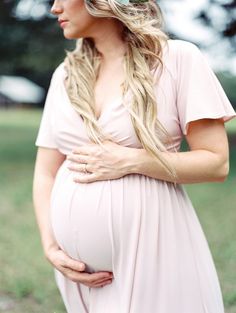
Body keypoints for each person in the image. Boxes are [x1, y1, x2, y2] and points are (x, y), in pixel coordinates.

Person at [32, 0, 236, 312]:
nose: (54, 8)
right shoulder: (65, 76)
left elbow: (216, 162)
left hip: (156, 257)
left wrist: (131, 160)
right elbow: (46, 172)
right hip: (81, 277)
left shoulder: (176, 59)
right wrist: (49, 246)